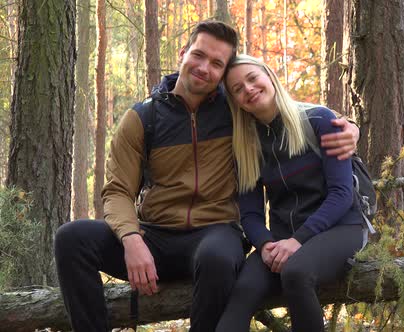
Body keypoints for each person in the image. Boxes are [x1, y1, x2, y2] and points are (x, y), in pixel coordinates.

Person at [54, 21, 359, 332]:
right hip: (154, 237)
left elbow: (285, 109)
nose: (204, 68)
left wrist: (347, 127)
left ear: (224, 74)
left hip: (214, 235)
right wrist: (132, 239)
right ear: (183, 53)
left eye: (217, 64)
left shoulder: (237, 110)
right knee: (71, 238)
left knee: (218, 256)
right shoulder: (142, 118)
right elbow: (118, 190)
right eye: (198, 55)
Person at [215, 54, 365, 332]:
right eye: (237, 88)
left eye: (252, 78)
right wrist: (265, 245)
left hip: (343, 227)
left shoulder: (319, 120)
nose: (247, 89)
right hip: (283, 241)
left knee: (296, 273)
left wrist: (298, 241)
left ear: (269, 76)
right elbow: (250, 213)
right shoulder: (246, 145)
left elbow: (342, 194)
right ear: (235, 101)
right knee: (244, 287)